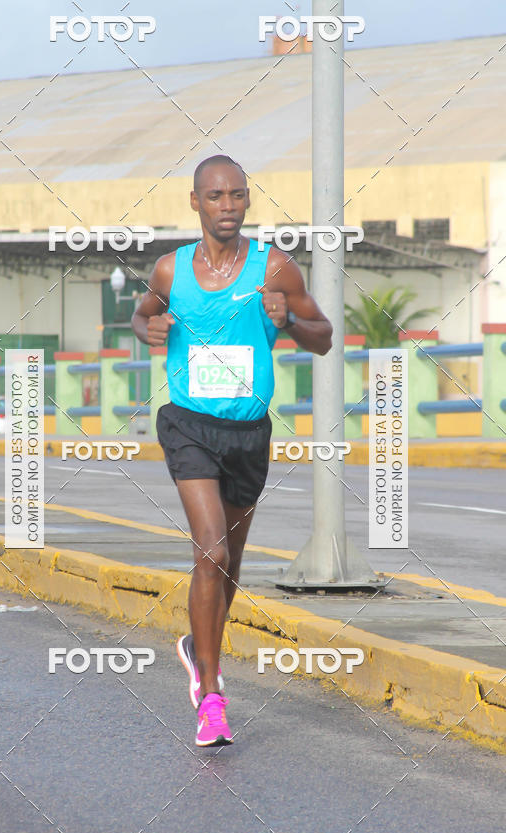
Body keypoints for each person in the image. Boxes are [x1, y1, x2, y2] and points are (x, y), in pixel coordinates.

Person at [132, 155, 332, 747]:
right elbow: (141, 317)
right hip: (188, 425)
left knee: (231, 568)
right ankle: (211, 696)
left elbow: (323, 337)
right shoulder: (170, 271)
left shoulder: (275, 267)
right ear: (195, 203)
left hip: (249, 434)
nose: (227, 206)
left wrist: (290, 318)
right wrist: (152, 331)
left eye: (237, 196)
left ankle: (200, 646)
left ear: (247, 201)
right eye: (215, 196)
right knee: (211, 552)